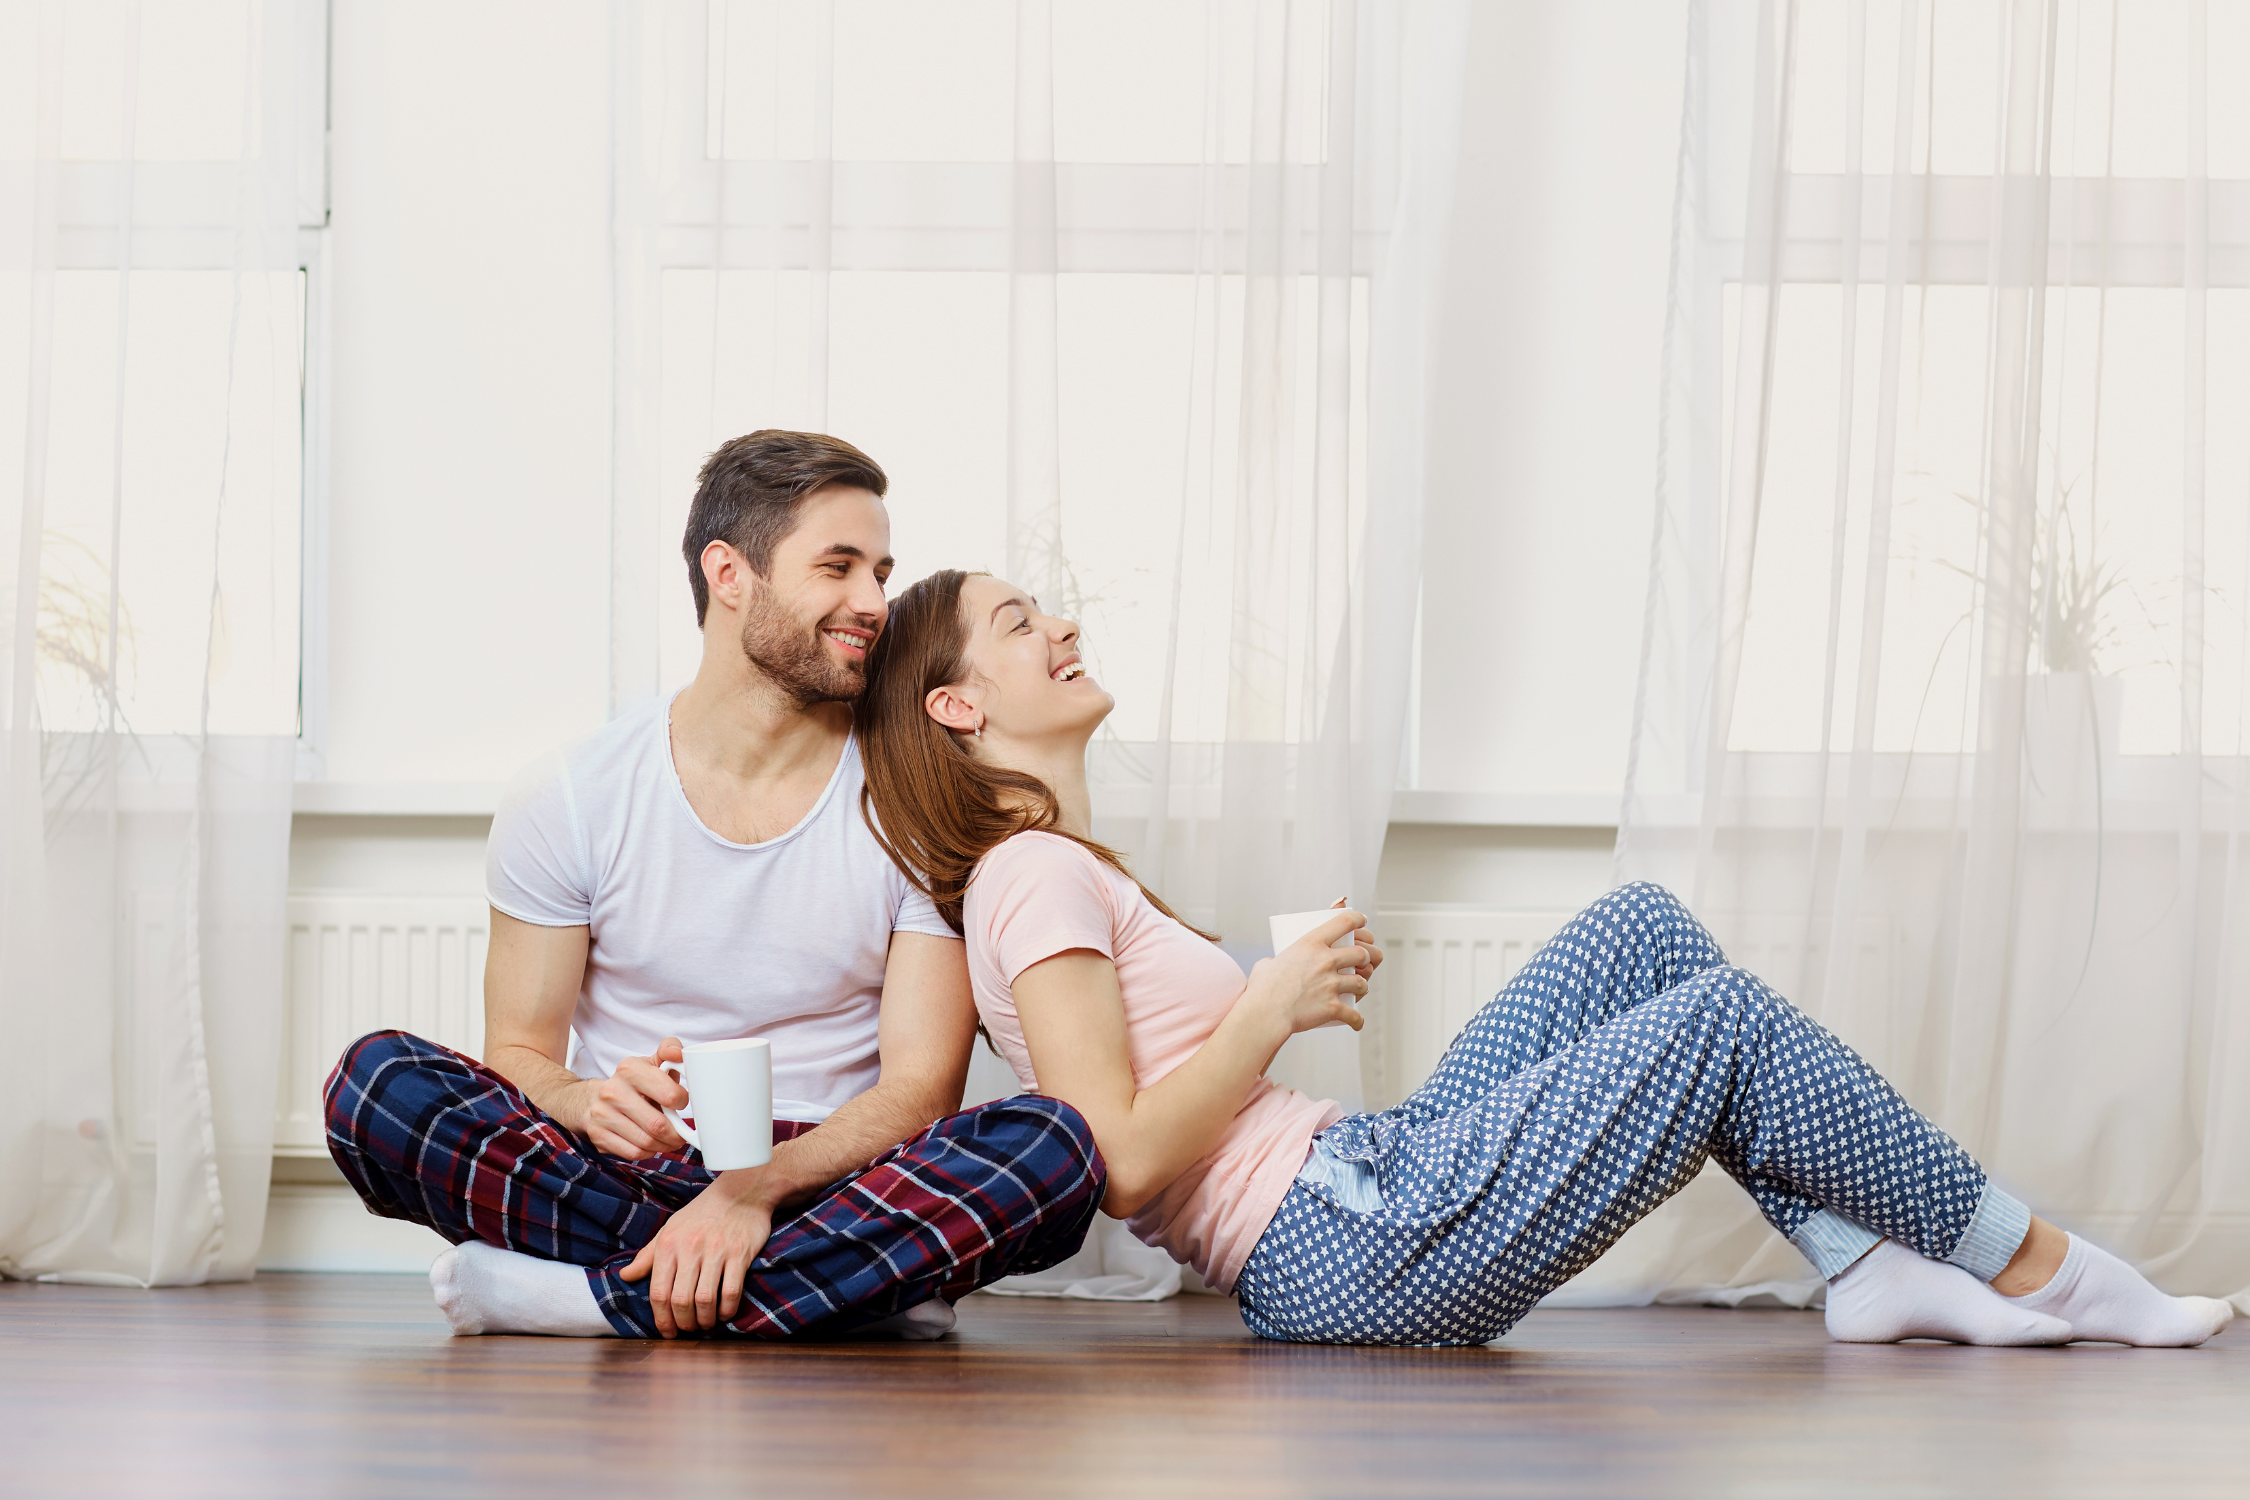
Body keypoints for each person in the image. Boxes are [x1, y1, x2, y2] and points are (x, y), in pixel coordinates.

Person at [854, 567, 2238, 1349]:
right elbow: (1128, 1163)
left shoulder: (1062, 868)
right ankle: (2036, 1263)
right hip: (1338, 1242)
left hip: (1357, 1179)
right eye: (1023, 624)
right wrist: (1267, 1008)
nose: (1064, 627)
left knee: (1642, 932)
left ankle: (1859, 1263)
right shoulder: (1027, 877)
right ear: (960, 705)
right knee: (1720, 1026)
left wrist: (1271, 996)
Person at [323, 436, 1104, 1341]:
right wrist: (586, 1104)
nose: (873, 604)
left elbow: (922, 1090)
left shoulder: (915, 793)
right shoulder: (573, 795)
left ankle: (585, 1297)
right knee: (376, 1085)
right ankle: (839, 1294)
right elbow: (520, 1051)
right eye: (838, 568)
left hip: (835, 1178)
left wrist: (753, 1192)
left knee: (1054, 1146)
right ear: (729, 574)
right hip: (629, 1171)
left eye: (881, 573)